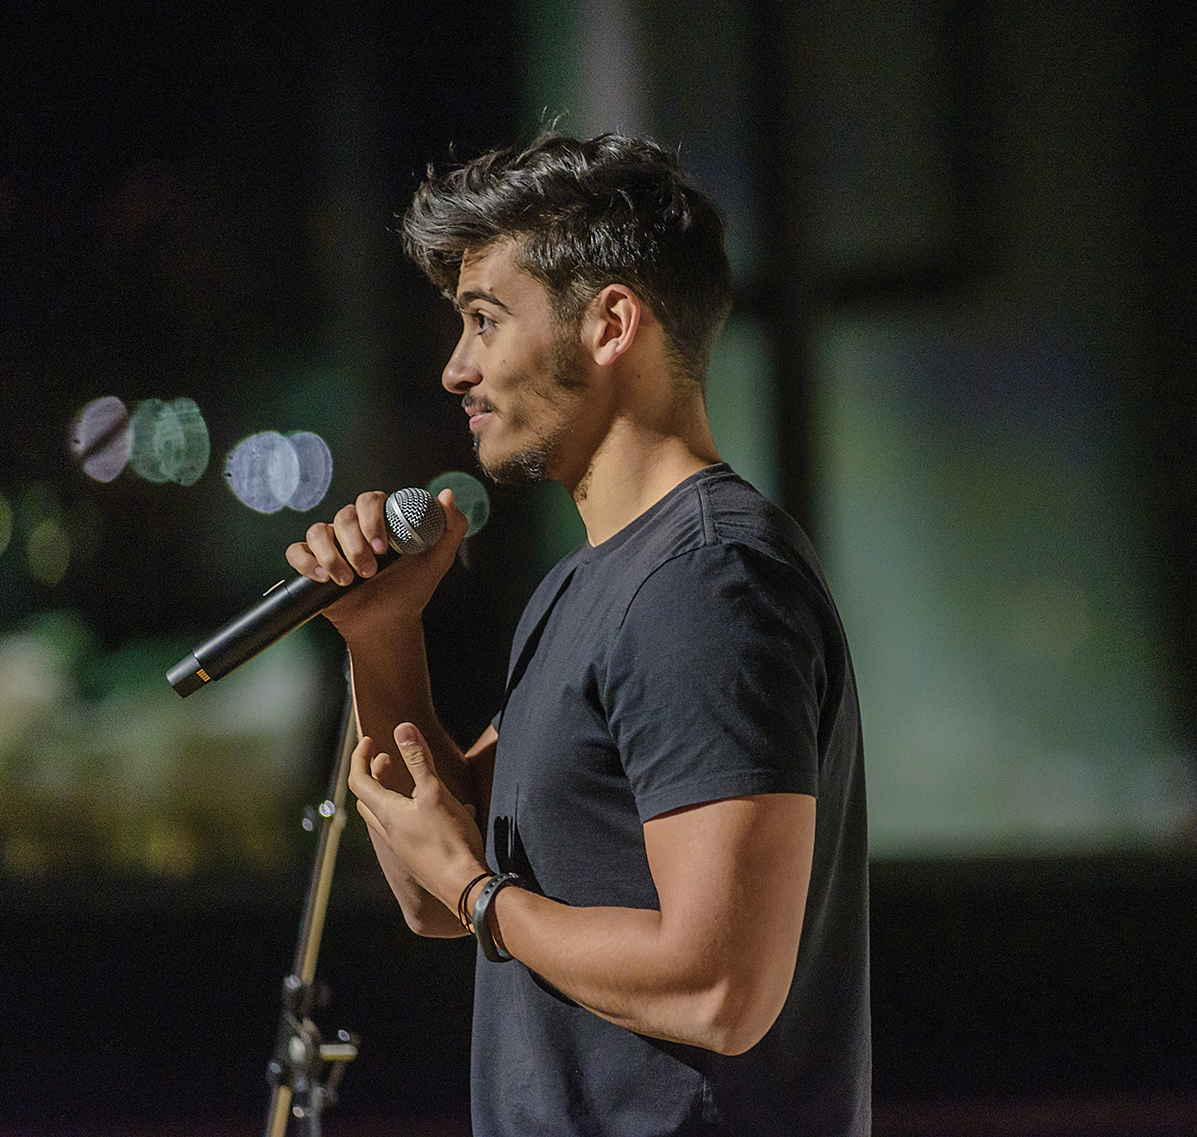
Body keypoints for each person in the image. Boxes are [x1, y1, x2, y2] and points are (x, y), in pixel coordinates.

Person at [285, 132, 870, 1134]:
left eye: (483, 319)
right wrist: (384, 638)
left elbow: (719, 988)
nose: (454, 368)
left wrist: (481, 894)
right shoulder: (590, 584)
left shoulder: (705, 582)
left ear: (609, 323)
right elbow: (433, 894)